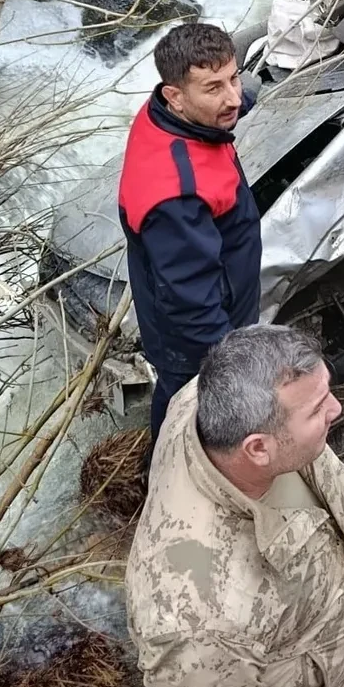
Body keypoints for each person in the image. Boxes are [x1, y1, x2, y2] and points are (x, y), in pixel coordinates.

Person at [126, 325, 344, 687]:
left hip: (304, 666)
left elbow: (301, 447)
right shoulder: (194, 616)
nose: (337, 409)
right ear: (257, 448)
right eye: (320, 410)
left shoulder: (208, 398)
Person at [118, 23, 261, 447]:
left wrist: (245, 91)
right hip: (191, 337)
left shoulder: (167, 116)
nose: (232, 97)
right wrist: (229, 360)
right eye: (214, 88)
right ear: (175, 96)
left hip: (208, 298)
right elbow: (192, 302)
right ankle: (163, 478)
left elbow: (231, 101)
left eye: (234, 78)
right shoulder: (174, 195)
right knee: (187, 406)